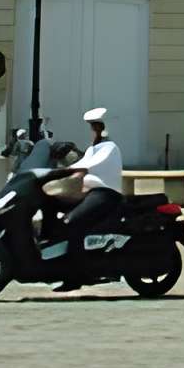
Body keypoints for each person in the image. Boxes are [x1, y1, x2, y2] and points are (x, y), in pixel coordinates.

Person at [58, 107, 127, 276]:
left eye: (97, 126)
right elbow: (80, 163)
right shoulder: (93, 149)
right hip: (89, 192)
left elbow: (88, 165)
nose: (93, 130)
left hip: (105, 194)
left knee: (73, 222)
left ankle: (77, 272)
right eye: (93, 127)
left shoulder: (109, 147)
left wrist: (62, 172)